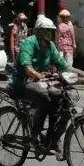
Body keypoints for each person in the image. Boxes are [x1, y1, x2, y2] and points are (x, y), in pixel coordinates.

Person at [14, 15, 72, 154]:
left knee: (63, 102)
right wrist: (37, 75)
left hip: (43, 82)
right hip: (24, 82)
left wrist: (75, 72)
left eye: (51, 31)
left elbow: (61, 63)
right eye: (47, 31)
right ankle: (34, 134)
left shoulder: (50, 46)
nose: (50, 34)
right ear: (39, 32)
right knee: (44, 99)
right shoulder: (29, 42)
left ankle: (52, 139)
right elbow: (27, 66)